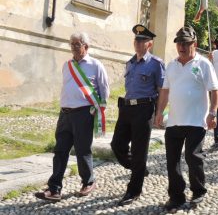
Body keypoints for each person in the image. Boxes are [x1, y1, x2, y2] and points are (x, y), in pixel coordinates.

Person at [35, 32, 110, 201]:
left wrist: (98, 109)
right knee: (60, 150)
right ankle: (54, 189)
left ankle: (88, 182)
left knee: (83, 150)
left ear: (86, 46)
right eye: (72, 44)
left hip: (83, 113)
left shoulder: (95, 64)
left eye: (78, 44)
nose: (74, 47)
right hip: (65, 114)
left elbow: (104, 90)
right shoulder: (67, 65)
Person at [154, 26, 218, 212]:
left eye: (186, 43)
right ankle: (176, 196)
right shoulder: (172, 65)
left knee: (193, 157)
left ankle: (198, 191)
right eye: (179, 43)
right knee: (172, 160)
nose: (181, 47)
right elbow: (165, 90)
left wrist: (213, 113)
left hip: (196, 121)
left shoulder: (203, 64)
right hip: (174, 120)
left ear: (194, 44)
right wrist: (159, 111)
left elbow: (215, 89)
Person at [110, 25, 165, 206]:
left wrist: (159, 114)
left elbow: (161, 90)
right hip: (126, 108)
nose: (138, 43)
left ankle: (133, 190)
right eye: (136, 39)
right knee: (117, 145)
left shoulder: (156, 64)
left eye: (142, 40)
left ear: (149, 43)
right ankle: (139, 168)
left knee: (139, 151)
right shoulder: (130, 63)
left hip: (144, 109)